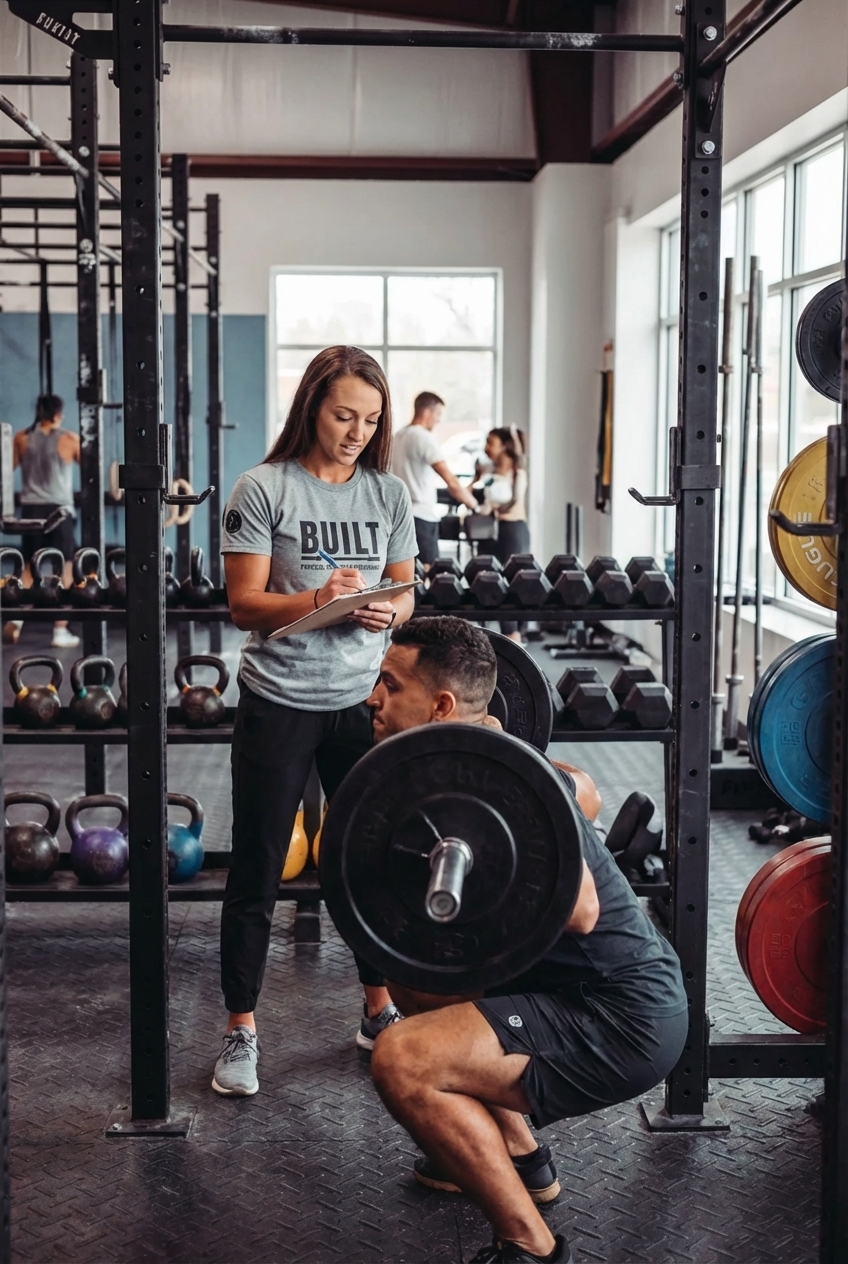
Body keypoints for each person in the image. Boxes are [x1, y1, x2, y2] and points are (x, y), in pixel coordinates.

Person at [363, 617, 688, 1264]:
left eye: (389, 684)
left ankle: (530, 1248)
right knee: (410, 972)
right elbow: (577, 796)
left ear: (442, 706)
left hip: (621, 1018)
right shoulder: (474, 757)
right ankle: (520, 1153)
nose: (372, 697)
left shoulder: (501, 783)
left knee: (401, 1059)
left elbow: (582, 910)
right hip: (579, 992)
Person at [213, 345, 417, 1098]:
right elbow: (244, 605)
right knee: (260, 871)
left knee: (368, 864)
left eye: (370, 418)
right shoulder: (262, 489)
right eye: (343, 415)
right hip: (279, 704)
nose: (357, 430)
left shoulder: (389, 494)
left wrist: (381, 610)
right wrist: (318, 601)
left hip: (363, 703)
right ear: (311, 409)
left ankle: (378, 1008)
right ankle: (240, 1030)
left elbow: (407, 595)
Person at [5, 393, 79, 649]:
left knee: (27, 565)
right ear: (58, 414)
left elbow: (7, 470)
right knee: (65, 566)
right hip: (60, 511)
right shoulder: (69, 440)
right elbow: (91, 467)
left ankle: (15, 618)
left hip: (31, 509)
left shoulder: (21, 439)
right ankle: (60, 630)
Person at [391, 391, 477, 568]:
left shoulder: (397, 436)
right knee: (427, 575)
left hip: (398, 517)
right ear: (427, 412)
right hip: (421, 517)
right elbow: (450, 480)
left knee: (404, 574)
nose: (438, 420)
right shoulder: (423, 437)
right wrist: (476, 506)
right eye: (438, 414)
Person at [476, 427, 530, 643]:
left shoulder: (517, 473)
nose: (486, 447)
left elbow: (513, 503)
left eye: (491, 442)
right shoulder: (488, 473)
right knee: (491, 582)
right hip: (492, 532)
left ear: (504, 446)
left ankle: (515, 635)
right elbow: (481, 503)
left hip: (513, 530)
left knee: (514, 582)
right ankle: (504, 636)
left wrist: (493, 507)